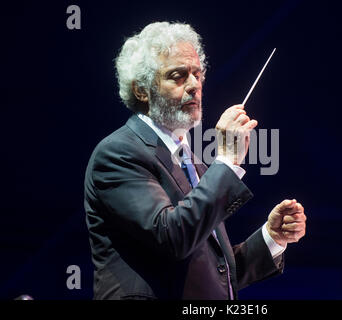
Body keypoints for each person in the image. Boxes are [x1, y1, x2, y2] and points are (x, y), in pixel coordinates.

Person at [84, 21, 307, 300]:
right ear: (142, 91)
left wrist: (272, 239)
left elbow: (214, 272)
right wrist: (226, 161)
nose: (193, 85)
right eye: (178, 76)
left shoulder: (190, 161)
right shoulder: (118, 153)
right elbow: (172, 238)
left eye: (197, 74)